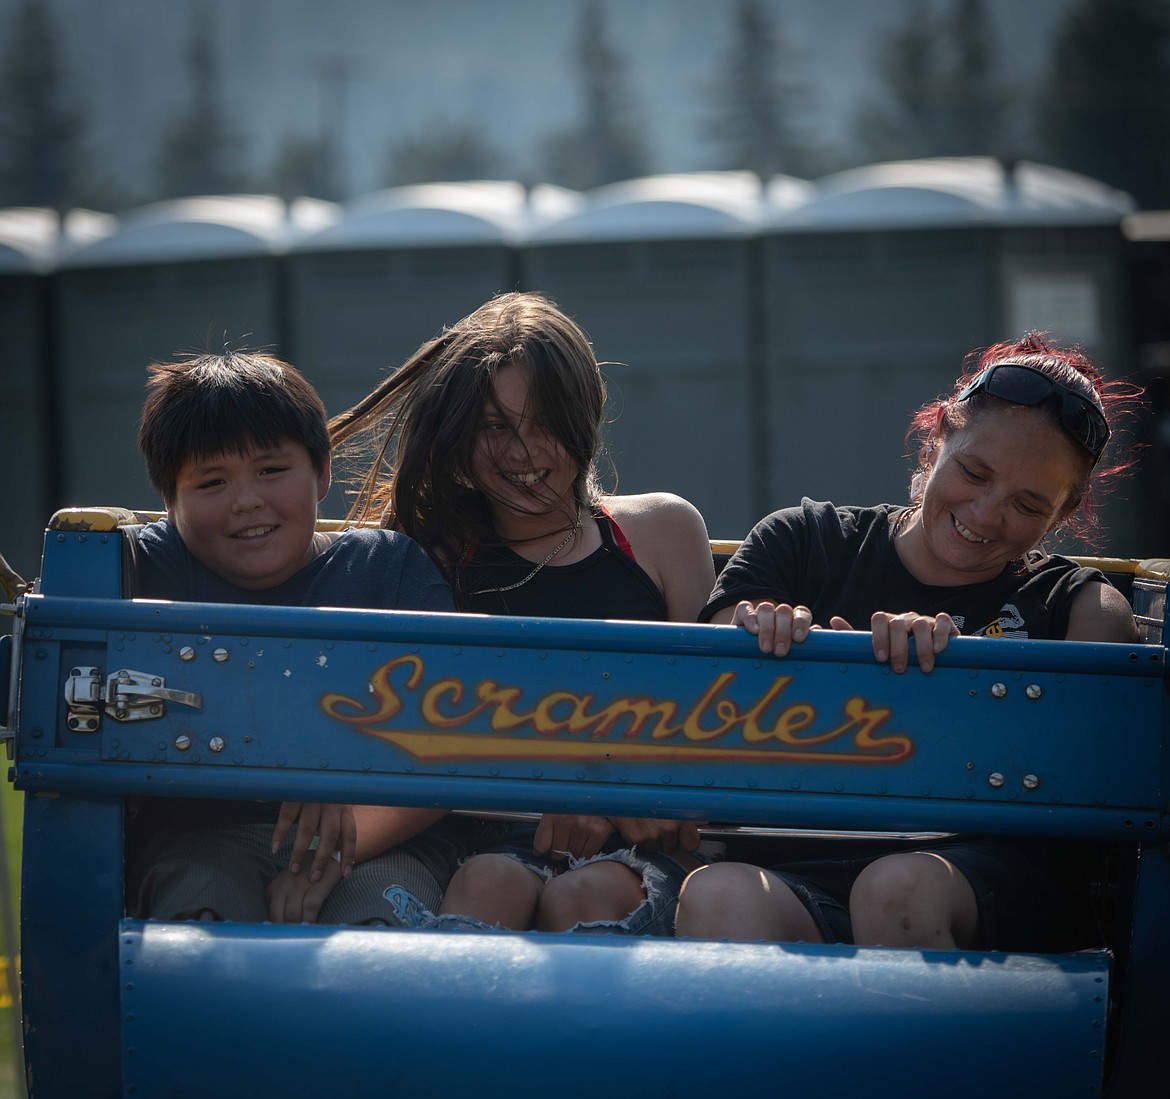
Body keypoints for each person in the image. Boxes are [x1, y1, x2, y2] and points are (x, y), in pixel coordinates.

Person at [674, 332, 1141, 952]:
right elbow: (710, 665)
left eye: (1028, 505)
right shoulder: (800, 542)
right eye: (974, 473)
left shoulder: (1083, 609)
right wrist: (780, 641)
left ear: (1064, 512)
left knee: (894, 892)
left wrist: (946, 681)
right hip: (792, 871)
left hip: (979, 882)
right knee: (714, 893)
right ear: (938, 436)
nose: (984, 513)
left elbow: (1084, 797)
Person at [329, 291, 717, 934]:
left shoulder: (664, 533)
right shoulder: (430, 555)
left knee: (583, 898)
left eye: (544, 422)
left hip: (647, 847)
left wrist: (613, 791)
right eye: (493, 426)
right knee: (489, 883)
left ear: (585, 418)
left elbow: (718, 719)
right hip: (488, 844)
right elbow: (405, 730)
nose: (522, 451)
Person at [125, 349, 477, 927]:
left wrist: (341, 845)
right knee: (199, 926)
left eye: (271, 470)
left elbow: (446, 746)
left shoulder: (389, 570)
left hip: (379, 835)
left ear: (322, 472)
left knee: (379, 939)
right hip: (205, 836)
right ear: (169, 503)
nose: (247, 501)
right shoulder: (151, 568)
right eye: (212, 481)